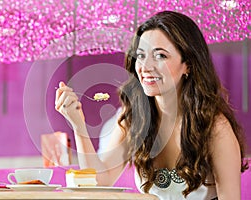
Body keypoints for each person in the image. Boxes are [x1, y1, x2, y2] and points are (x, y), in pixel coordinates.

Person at [55, 11, 248, 200]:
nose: (145, 67)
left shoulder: (215, 128)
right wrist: (78, 124)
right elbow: (99, 181)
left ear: (187, 64)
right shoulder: (133, 120)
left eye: (160, 56)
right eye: (141, 55)